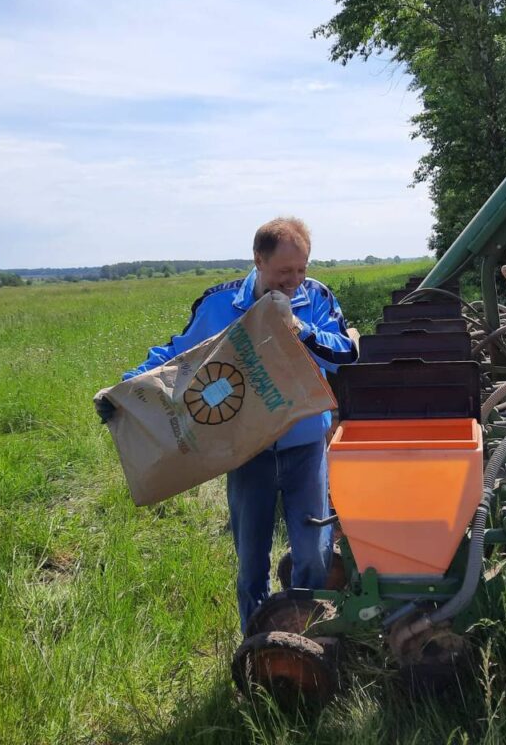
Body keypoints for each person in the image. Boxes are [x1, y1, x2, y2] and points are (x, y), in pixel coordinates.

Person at [102, 217, 357, 630]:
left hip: (305, 447)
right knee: (251, 561)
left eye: (302, 269)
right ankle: (255, 645)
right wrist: (123, 391)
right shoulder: (220, 304)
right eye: (283, 272)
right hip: (245, 451)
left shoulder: (317, 299)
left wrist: (300, 329)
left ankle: (310, 641)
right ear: (258, 260)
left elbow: (345, 353)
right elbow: (173, 356)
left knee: (314, 554)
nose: (295, 280)